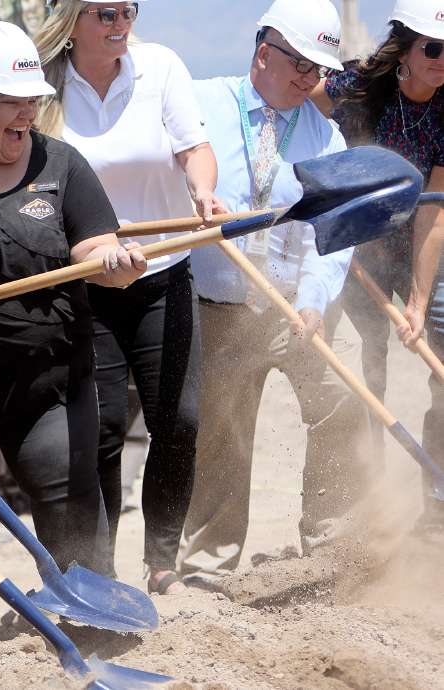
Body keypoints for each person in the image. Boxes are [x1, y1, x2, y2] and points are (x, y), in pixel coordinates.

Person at [0, 21, 146, 646]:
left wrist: (113, 263)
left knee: (74, 514)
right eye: (12, 101)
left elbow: (97, 242)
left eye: (35, 100)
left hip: (45, 379)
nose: (29, 114)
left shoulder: (62, 164)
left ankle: (96, 628)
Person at [178, 0, 372, 587]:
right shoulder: (202, 105)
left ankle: (329, 542)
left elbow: (331, 235)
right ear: (266, 50)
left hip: (296, 300)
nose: (311, 79)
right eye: (301, 66)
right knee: (223, 432)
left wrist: (315, 299)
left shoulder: (326, 136)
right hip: (221, 300)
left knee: (343, 396)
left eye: (319, 71)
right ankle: (208, 564)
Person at [35, 0, 226, 594]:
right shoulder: (44, 80)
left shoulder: (160, 67)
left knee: (181, 420)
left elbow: (194, 148)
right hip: (87, 283)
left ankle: (163, 561)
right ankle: (102, 574)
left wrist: (203, 191)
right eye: (105, 15)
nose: (121, 26)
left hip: (162, 271)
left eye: (128, 11)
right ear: (73, 19)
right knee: (104, 429)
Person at [311, 0, 444, 536]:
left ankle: (435, 513)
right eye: (434, 48)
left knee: (439, 365)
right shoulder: (354, 86)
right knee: (361, 375)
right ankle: (356, 506)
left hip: (423, 245)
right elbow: (301, 119)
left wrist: (416, 300)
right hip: (353, 248)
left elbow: (433, 210)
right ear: (406, 50)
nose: (443, 60)